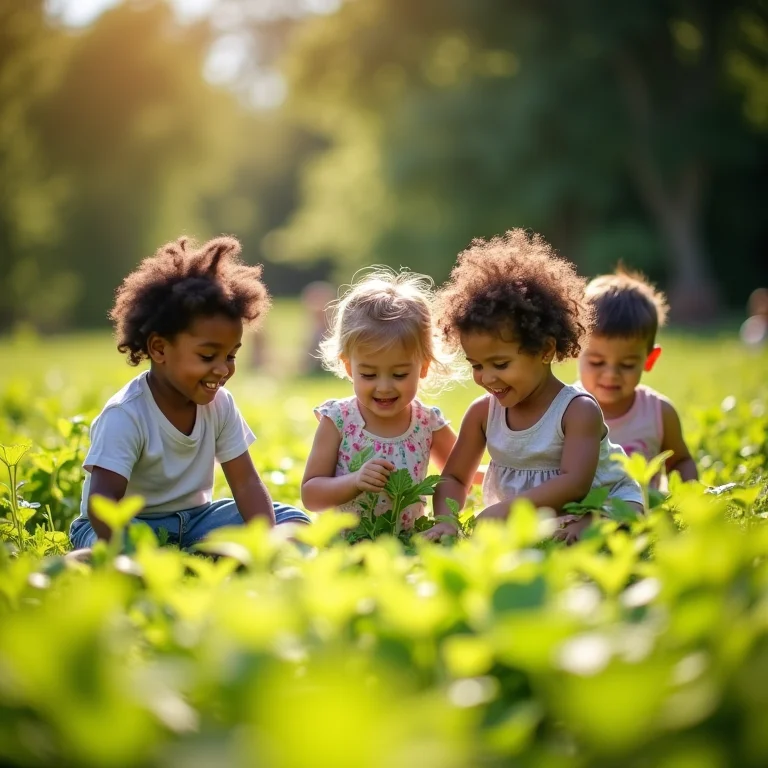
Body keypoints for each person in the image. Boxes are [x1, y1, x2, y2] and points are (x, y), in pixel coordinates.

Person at [69, 236, 310, 551]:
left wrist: (264, 542)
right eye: (208, 356)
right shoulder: (126, 414)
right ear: (159, 348)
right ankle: (114, 565)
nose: (223, 369)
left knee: (291, 520)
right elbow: (103, 504)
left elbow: (246, 482)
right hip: (129, 526)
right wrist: (126, 551)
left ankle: (211, 554)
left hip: (195, 521)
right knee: (108, 547)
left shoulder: (220, 405)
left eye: (231, 355)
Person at [427, 230, 643, 544]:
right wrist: (446, 521)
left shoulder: (577, 410)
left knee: (583, 533)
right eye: (476, 365)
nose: (487, 378)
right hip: (535, 514)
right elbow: (455, 476)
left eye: (500, 365)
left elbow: (575, 484)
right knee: (525, 539)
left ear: (544, 350)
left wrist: (505, 510)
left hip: (599, 502)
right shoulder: (482, 415)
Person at [300, 268, 460, 531]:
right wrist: (355, 481)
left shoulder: (427, 422)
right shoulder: (338, 420)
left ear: (424, 367)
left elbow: (459, 473)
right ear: (349, 367)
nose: (384, 387)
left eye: (399, 374)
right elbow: (311, 494)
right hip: (348, 544)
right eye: (369, 374)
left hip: (408, 543)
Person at [577, 268, 698, 485]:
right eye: (596, 362)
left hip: (642, 516)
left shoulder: (659, 413)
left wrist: (689, 496)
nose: (611, 374)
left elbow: (680, 461)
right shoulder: (563, 408)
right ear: (576, 350)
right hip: (582, 516)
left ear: (649, 360)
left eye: (627, 364)